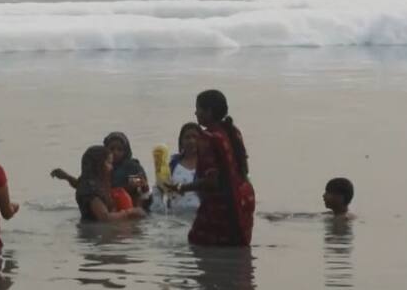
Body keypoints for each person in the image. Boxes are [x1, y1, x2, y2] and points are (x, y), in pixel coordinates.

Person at [170, 90, 255, 247]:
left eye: (198, 109)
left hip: (223, 204)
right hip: (244, 197)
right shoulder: (232, 131)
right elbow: (244, 168)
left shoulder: (208, 139)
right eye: (196, 109)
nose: (196, 112)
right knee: (238, 249)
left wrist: (182, 187)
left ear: (208, 112)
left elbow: (212, 182)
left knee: (201, 245)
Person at [51, 132, 152, 210]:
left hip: (129, 208)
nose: (115, 152)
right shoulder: (99, 167)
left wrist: (122, 189)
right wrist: (67, 177)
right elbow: (84, 186)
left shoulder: (131, 167)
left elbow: (141, 184)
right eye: (111, 149)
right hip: (106, 209)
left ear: (126, 151)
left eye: (119, 149)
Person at [74, 145, 148, 223]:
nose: (111, 167)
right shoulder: (90, 188)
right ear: (98, 165)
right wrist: (131, 212)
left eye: (120, 149)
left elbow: (140, 182)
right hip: (95, 232)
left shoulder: (132, 166)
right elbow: (105, 218)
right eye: (108, 163)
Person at [159, 123, 201, 212]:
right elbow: (161, 188)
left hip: (200, 215)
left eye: (195, 137)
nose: (191, 141)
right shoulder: (173, 164)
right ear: (181, 141)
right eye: (187, 137)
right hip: (175, 216)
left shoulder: (208, 164)